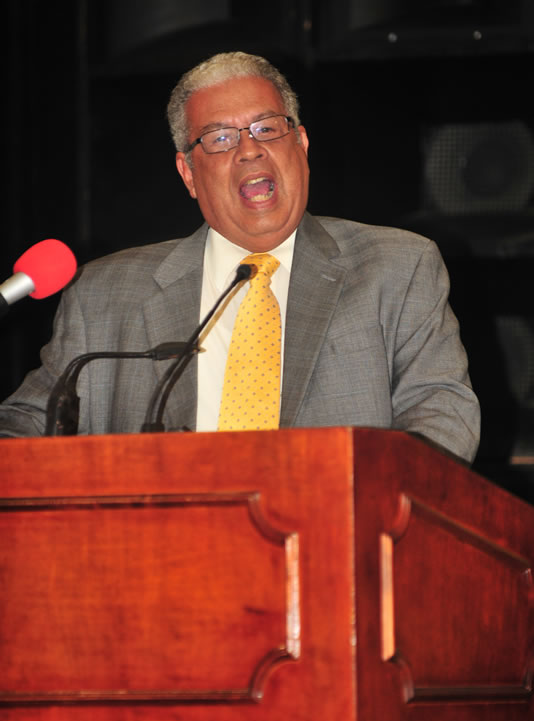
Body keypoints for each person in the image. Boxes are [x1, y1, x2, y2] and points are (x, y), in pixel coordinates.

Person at [0, 51, 480, 462]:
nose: (249, 150)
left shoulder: (397, 268)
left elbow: (442, 419)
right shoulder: (103, 296)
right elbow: (24, 428)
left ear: (301, 145)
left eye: (267, 128)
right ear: (188, 174)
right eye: (220, 138)